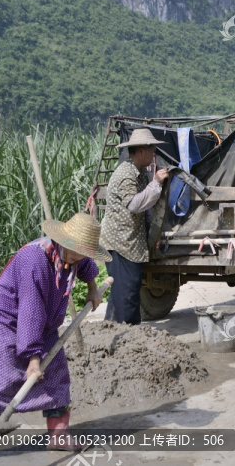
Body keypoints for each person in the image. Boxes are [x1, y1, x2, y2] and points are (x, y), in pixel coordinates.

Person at [0, 213, 111, 466]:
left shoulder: (76, 255)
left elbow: (86, 268)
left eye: (85, 253)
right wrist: (33, 358)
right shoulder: (35, 260)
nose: (80, 257)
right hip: (9, 323)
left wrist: (92, 288)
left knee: (55, 374)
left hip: (45, 323)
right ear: (63, 241)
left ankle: (58, 435)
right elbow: (30, 311)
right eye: (77, 251)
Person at [100, 128, 169, 325]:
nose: (153, 153)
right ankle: (127, 335)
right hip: (120, 244)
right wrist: (155, 183)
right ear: (141, 151)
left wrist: (152, 235)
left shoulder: (140, 173)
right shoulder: (126, 174)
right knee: (128, 294)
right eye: (152, 150)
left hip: (130, 242)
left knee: (120, 293)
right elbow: (134, 204)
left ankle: (111, 329)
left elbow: (147, 210)